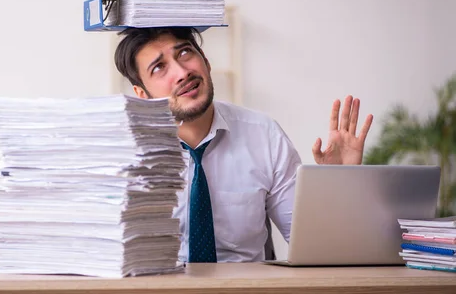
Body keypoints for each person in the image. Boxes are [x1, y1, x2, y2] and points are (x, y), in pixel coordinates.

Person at [114, 26, 374, 263]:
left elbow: (318, 249)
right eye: (159, 68)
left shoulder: (263, 135)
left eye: (184, 53)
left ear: (205, 61)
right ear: (142, 95)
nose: (182, 72)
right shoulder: (120, 152)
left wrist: (340, 182)